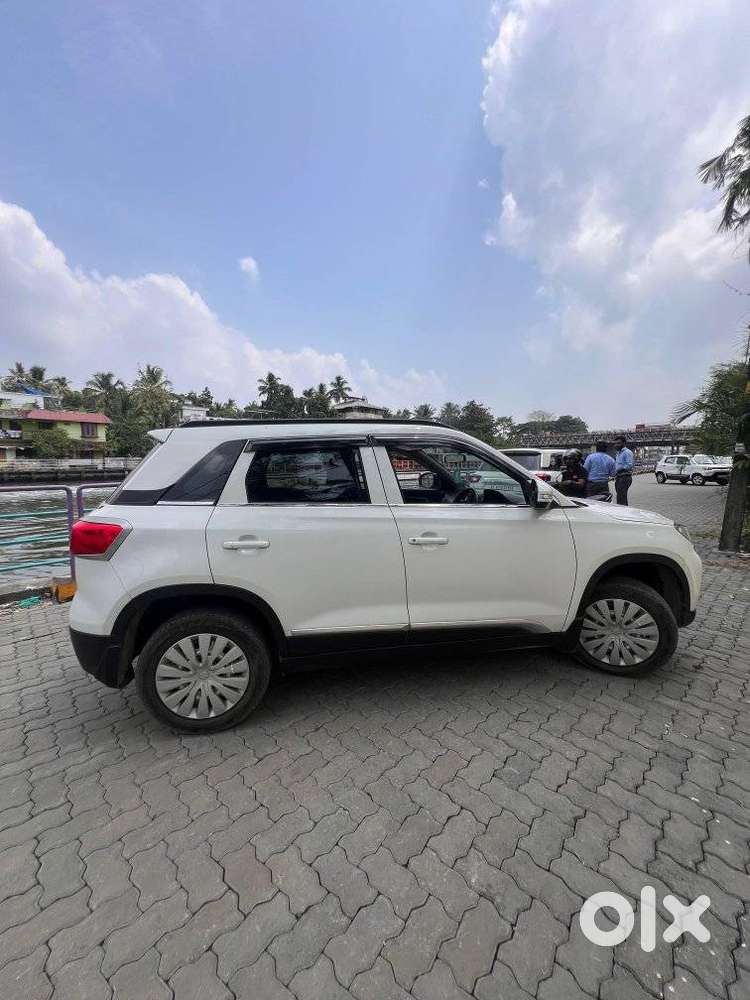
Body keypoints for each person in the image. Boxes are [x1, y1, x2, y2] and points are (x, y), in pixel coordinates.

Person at [614, 434, 634, 505]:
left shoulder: (627, 452)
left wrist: (618, 469)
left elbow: (629, 465)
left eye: (618, 443)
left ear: (624, 443)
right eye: (615, 443)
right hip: (619, 477)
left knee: (621, 498)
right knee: (620, 497)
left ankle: (623, 513)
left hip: (624, 477)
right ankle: (623, 512)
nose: (616, 445)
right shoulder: (618, 453)